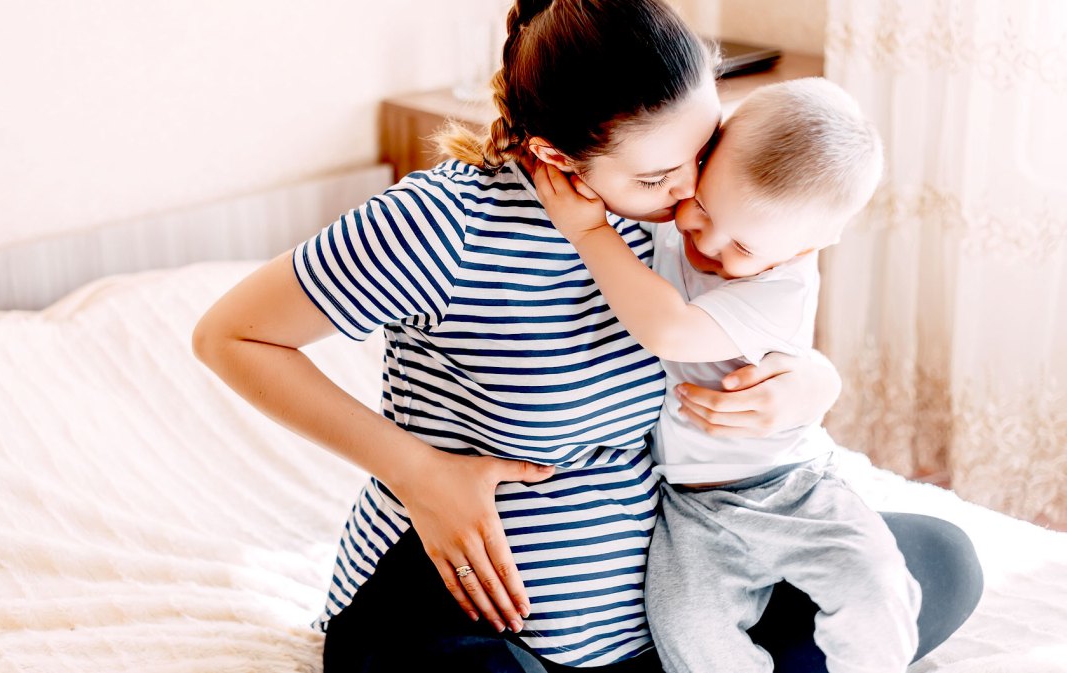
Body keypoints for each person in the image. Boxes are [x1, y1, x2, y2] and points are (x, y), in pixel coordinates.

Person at [191, 1, 982, 671]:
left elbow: (754, 316)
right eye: (654, 178)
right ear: (555, 156)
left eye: (701, 152)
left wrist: (812, 377)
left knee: (936, 563)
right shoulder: (441, 225)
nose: (687, 197)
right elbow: (231, 335)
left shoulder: (689, 218)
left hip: (673, 592)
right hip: (475, 616)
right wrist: (418, 470)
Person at [534, 77, 923, 672]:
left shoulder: (784, 287)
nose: (705, 242)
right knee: (688, 631)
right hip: (691, 509)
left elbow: (670, 331)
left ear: (811, 245)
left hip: (792, 488)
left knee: (872, 582)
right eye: (705, 209)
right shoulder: (677, 219)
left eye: (742, 245)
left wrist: (589, 233)